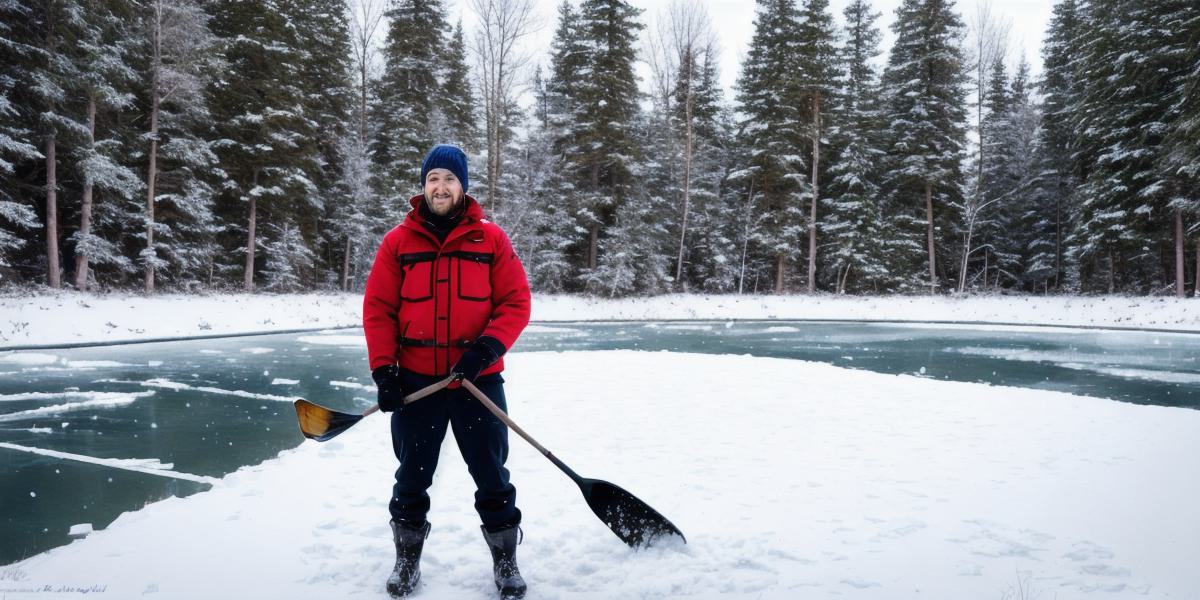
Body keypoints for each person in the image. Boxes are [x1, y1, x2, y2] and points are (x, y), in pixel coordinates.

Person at [362, 144, 531, 599]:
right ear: (424, 186)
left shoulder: (490, 239)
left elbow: (516, 302)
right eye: (433, 178)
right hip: (419, 382)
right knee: (412, 475)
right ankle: (407, 559)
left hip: (478, 381)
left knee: (492, 475)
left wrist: (486, 350)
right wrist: (385, 372)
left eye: (450, 179)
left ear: (463, 186)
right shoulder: (398, 242)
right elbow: (378, 309)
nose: (441, 187)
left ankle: (505, 559)